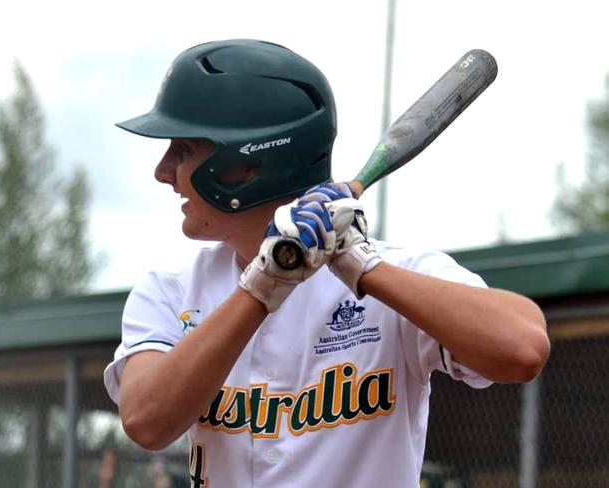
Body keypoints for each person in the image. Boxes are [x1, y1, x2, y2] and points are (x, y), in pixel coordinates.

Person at [103, 39, 550, 487]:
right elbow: (147, 421)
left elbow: (524, 348)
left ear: (247, 166)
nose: (163, 171)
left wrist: (363, 266)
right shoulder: (170, 290)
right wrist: (262, 285)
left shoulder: (394, 272)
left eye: (183, 149)